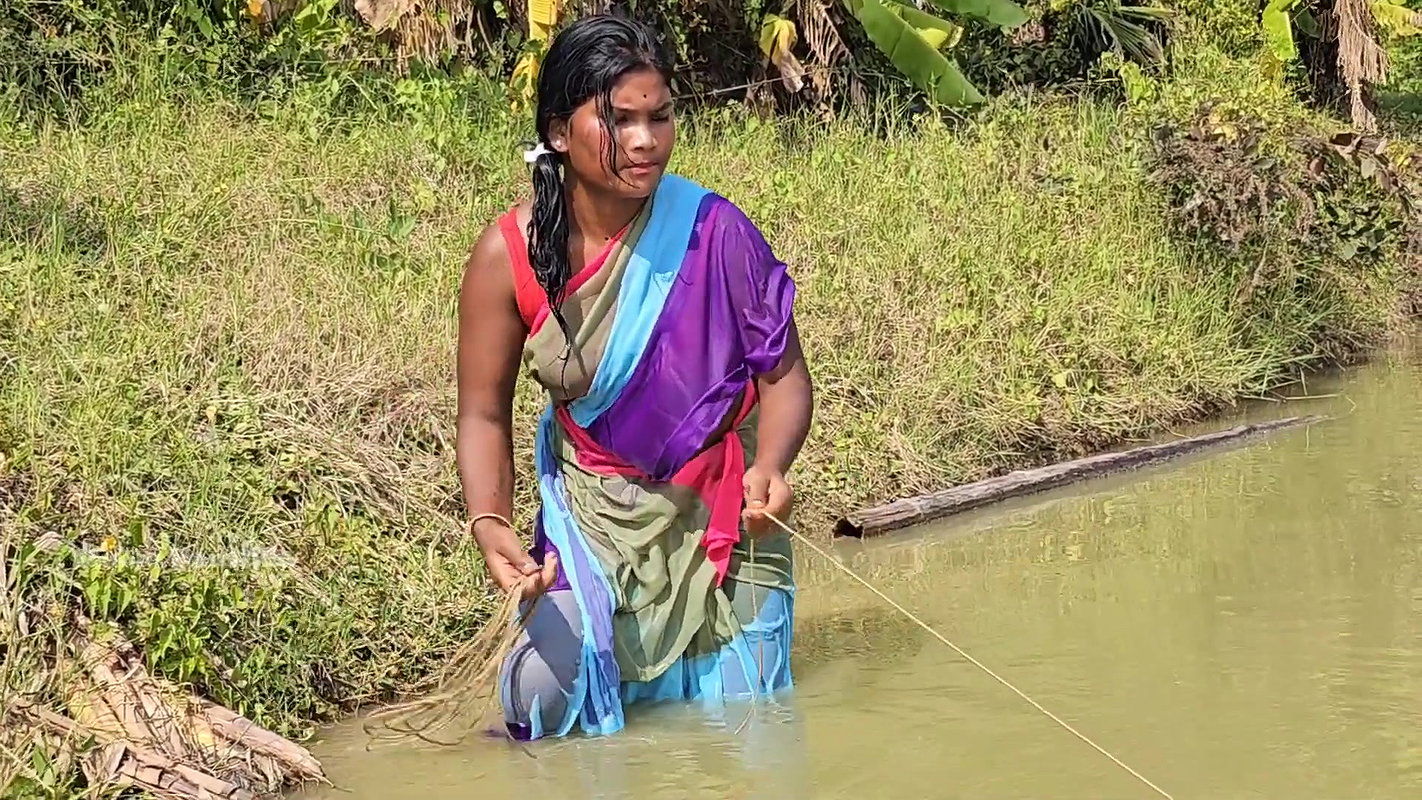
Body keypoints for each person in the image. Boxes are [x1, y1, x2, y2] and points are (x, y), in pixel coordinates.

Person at [454, 13, 813, 742]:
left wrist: (771, 468)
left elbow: (785, 377)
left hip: (722, 513)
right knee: (541, 699)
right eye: (618, 120)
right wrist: (490, 523)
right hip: (594, 515)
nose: (646, 140)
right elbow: (483, 414)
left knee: (756, 721)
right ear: (559, 131)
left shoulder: (715, 231)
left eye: (660, 115)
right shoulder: (507, 257)